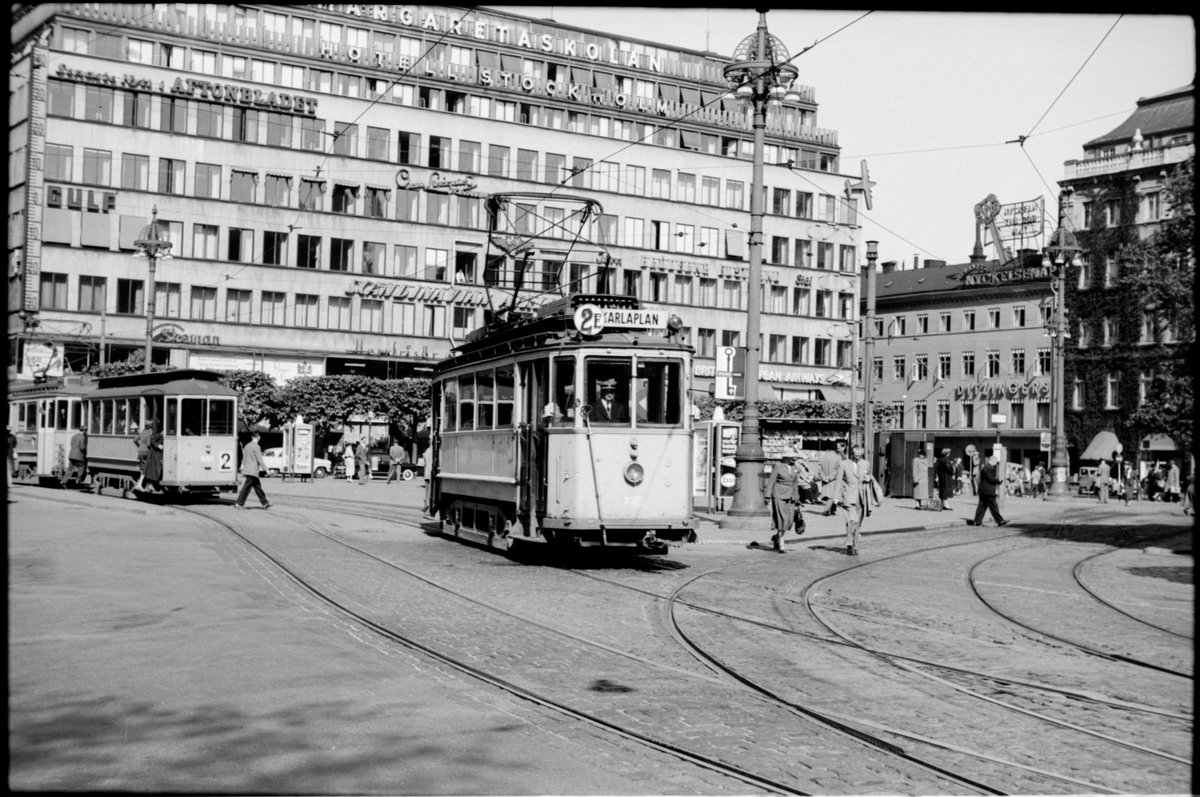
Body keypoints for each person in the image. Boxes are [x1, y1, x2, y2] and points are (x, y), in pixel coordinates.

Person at [762, 447, 809, 554]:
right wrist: (767, 496)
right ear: (786, 457)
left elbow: (795, 483)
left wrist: (797, 498)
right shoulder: (778, 465)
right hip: (779, 495)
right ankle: (782, 544)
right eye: (792, 457)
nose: (794, 459)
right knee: (781, 519)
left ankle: (776, 537)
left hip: (791, 496)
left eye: (794, 457)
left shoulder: (795, 466)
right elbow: (771, 481)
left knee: (789, 520)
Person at [833, 444, 872, 556]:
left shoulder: (866, 463)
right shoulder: (844, 464)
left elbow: (869, 475)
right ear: (851, 454)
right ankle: (849, 544)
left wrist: (868, 478)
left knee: (858, 523)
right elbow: (838, 481)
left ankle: (854, 545)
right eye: (856, 455)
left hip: (862, 497)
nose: (858, 457)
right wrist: (835, 497)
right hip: (849, 497)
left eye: (860, 455)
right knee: (852, 520)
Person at [235, 431, 271, 509]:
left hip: (247, 469)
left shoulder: (247, 445)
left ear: (252, 437)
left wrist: (243, 467)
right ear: (259, 438)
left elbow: (244, 458)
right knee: (246, 488)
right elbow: (260, 459)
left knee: (257, 487)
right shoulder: (257, 447)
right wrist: (266, 469)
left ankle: (265, 503)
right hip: (253, 470)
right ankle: (239, 503)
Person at [971, 453, 1008, 527]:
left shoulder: (985, 467)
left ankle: (977, 521)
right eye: (996, 461)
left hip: (983, 490)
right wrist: (998, 481)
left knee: (982, 506)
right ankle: (1000, 520)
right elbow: (991, 479)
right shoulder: (989, 468)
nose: (996, 463)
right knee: (993, 506)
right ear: (993, 460)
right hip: (988, 490)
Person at [818, 441, 846, 516]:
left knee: (829, 494)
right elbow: (838, 469)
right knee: (833, 495)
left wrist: (824, 477)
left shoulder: (823, 457)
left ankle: (833, 510)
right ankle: (827, 510)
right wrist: (830, 477)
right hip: (834, 479)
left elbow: (819, 469)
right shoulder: (838, 457)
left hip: (825, 479)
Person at [142, 427, 165, 493]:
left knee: (156, 470)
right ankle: (151, 485)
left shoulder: (158, 434)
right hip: (155, 454)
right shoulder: (156, 434)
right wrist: (158, 445)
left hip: (159, 454)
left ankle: (151, 485)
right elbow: (152, 440)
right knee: (155, 470)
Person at [133, 424, 153, 491]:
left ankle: (143, 484)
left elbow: (135, 440)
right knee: (149, 467)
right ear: (150, 428)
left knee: (143, 467)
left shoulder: (142, 432)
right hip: (146, 452)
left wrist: (140, 446)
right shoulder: (149, 433)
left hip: (140, 451)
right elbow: (149, 444)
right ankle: (145, 484)